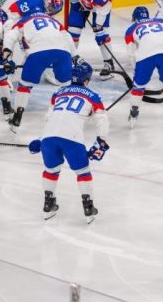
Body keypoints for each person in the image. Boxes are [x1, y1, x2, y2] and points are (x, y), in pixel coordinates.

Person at [27, 61, 110, 224]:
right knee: (83, 171)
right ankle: (88, 207)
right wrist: (101, 142)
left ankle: (48, 205)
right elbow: (103, 121)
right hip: (73, 137)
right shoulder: (93, 95)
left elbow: (49, 118)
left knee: (50, 170)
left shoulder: (58, 93)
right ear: (87, 80)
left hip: (49, 137)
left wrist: (41, 139)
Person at [2, 0, 75, 133]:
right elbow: (67, 37)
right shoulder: (54, 21)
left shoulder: (23, 20)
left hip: (38, 53)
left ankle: (17, 116)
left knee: (25, 85)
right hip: (63, 52)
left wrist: (6, 57)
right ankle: (68, 116)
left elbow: (10, 36)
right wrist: (76, 56)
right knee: (66, 85)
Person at [124, 6, 163, 128]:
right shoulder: (161, 20)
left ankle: (133, 114)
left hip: (146, 55)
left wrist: (135, 70)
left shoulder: (131, 29)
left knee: (138, 87)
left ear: (134, 18)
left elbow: (130, 53)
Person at [60, 0, 115, 79]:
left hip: (98, 8)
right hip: (80, 3)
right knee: (73, 33)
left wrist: (98, 27)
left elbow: (102, 13)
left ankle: (109, 63)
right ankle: (69, 61)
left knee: (102, 36)